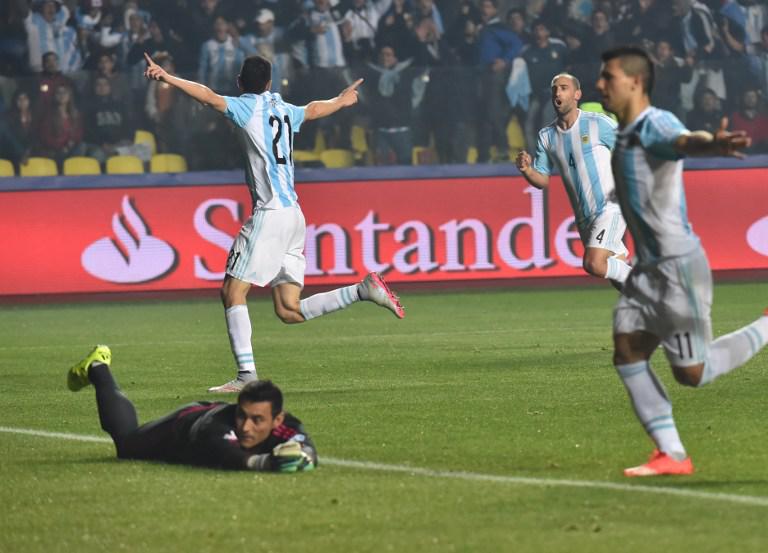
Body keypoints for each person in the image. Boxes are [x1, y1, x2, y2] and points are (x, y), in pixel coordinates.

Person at [143, 52, 405, 393]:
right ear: (270, 83)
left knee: (231, 291)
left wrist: (167, 77)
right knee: (288, 309)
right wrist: (341, 101)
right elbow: (312, 109)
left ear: (240, 83)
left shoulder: (244, 107)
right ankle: (362, 290)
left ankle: (246, 375)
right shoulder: (283, 108)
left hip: (269, 215)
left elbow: (207, 96)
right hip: (295, 216)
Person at [595, 46, 768, 477]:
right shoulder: (624, 133)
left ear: (635, 81)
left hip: (676, 266)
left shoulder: (655, 123)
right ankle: (671, 454)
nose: (601, 85)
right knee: (627, 350)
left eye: (608, 77)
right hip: (648, 269)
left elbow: (682, 141)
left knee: (694, 373)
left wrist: (713, 142)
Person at [66, 345, 316, 472]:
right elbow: (228, 455)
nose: (246, 426)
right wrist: (265, 463)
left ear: (277, 419)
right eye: (242, 415)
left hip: (204, 420)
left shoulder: (286, 424)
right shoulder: (216, 428)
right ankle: (98, 367)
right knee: (126, 446)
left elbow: (306, 448)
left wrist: (305, 456)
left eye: (257, 420)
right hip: (185, 425)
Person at [515, 73, 632, 287]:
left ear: (577, 94)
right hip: (584, 218)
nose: (557, 92)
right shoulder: (546, 136)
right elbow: (542, 180)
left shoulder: (598, 124)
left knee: (593, 264)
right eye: (554, 89)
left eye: (563, 88)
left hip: (610, 207)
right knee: (616, 275)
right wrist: (526, 170)